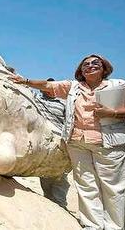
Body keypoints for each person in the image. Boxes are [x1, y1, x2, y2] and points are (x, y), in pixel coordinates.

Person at [10, 54, 125, 230]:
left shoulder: (120, 85)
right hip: (77, 142)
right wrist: (24, 80)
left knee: (113, 187)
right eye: (86, 64)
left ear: (104, 68)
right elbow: (48, 85)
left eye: (96, 63)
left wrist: (112, 112)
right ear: (80, 70)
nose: (90, 66)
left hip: (108, 143)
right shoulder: (73, 87)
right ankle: (91, 225)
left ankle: (114, 227)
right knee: (86, 185)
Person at [34, 78, 70, 209]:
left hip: (59, 142)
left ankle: (61, 206)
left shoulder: (64, 103)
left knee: (60, 176)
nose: (48, 90)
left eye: (51, 87)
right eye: (45, 88)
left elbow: (69, 122)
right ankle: (51, 206)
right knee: (45, 175)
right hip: (43, 143)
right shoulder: (36, 99)